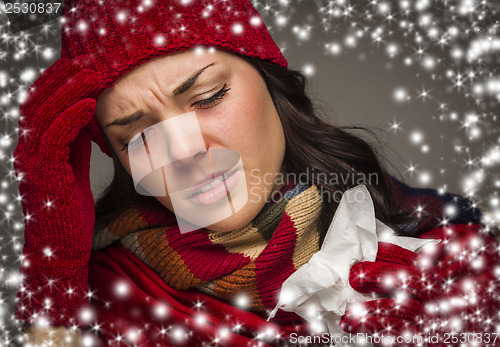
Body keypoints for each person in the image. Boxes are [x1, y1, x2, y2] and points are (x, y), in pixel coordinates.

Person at [14, 0, 500, 346]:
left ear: (270, 83)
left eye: (207, 99)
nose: (183, 153)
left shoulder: (439, 240)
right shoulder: (97, 296)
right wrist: (53, 277)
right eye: (135, 135)